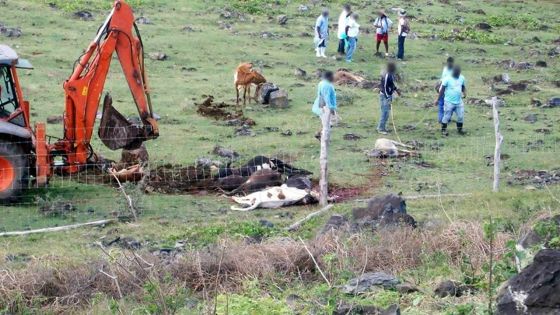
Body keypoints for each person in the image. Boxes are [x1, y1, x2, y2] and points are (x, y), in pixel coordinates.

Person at [435, 65, 466, 136]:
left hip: (459, 101)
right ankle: (443, 130)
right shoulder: (447, 79)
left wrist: (464, 93)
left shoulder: (462, 78)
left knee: (460, 116)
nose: (458, 74)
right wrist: (437, 100)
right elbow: (442, 90)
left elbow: (463, 86)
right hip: (449, 102)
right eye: (457, 73)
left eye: (459, 73)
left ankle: (460, 129)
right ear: (453, 72)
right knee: (447, 116)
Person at [377, 62, 401, 134]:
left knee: (387, 113)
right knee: (384, 112)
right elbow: (385, 87)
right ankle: (380, 128)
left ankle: (383, 127)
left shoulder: (391, 74)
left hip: (388, 95)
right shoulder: (387, 75)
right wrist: (388, 98)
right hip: (384, 96)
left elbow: (391, 84)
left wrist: (396, 90)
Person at [313, 71, 337, 139]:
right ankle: (324, 139)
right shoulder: (327, 85)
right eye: (332, 76)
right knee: (327, 125)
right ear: (329, 77)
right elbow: (327, 98)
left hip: (321, 105)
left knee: (330, 122)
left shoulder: (322, 83)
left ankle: (320, 134)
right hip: (326, 107)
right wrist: (331, 108)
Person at [436, 57, 455, 123]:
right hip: (446, 91)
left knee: (445, 106)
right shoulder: (447, 69)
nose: (449, 65)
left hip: (447, 91)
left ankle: (444, 118)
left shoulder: (450, 70)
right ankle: (443, 119)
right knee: (444, 105)